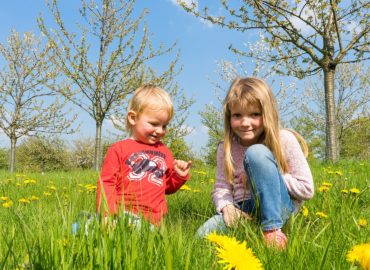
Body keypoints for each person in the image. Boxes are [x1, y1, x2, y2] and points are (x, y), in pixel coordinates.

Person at [196, 77, 314, 250]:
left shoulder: (284, 140)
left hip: (279, 207)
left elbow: (306, 189)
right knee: (202, 237)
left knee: (256, 153)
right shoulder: (225, 148)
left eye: (254, 114)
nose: (245, 123)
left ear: (268, 114)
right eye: (237, 115)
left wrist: (271, 175)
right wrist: (227, 207)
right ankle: (253, 228)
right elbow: (221, 188)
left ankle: (272, 230)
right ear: (229, 117)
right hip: (242, 210)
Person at [96, 85, 191, 227]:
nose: (160, 131)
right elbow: (107, 183)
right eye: (154, 124)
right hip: (122, 216)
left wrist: (179, 176)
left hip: (154, 222)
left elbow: (168, 187)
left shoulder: (164, 152)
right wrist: (106, 214)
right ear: (133, 118)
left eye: (164, 126)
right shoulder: (119, 149)